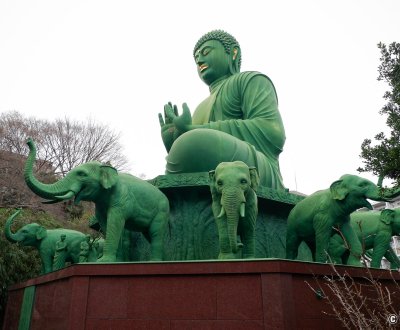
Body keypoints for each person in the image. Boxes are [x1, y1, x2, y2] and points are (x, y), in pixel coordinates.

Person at [159, 30, 286, 189]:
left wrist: (193, 131)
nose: (199, 61)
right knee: (185, 146)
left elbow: (272, 132)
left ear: (233, 53)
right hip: (211, 167)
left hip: (256, 168)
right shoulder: (200, 107)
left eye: (206, 52)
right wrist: (173, 142)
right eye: (196, 58)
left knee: (192, 142)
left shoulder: (251, 80)